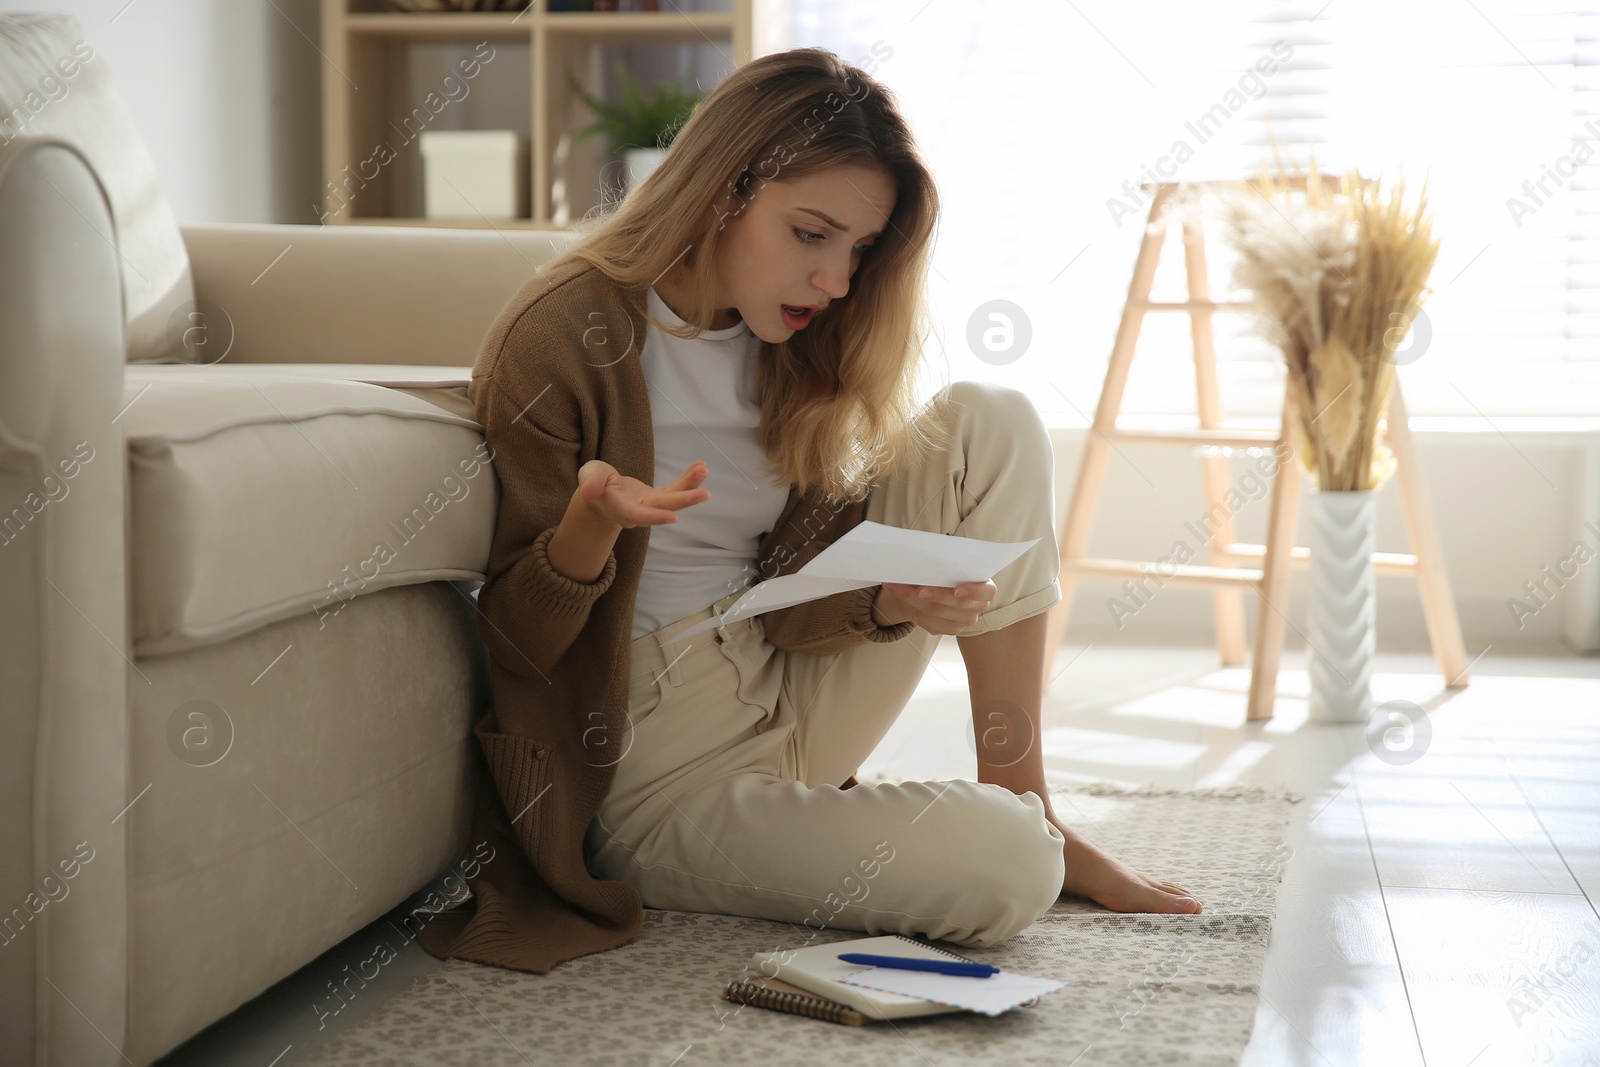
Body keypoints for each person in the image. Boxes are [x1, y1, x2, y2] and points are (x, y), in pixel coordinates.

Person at [419, 46, 1199, 977]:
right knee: (1003, 865)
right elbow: (515, 641)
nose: (835, 281)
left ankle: (1031, 795)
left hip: (780, 675)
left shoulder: (793, 341)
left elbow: (788, 600)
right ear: (722, 190)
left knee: (988, 420)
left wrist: (894, 603)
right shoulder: (562, 332)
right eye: (812, 233)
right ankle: (1015, 837)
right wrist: (592, 524)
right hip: (649, 759)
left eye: (860, 249)